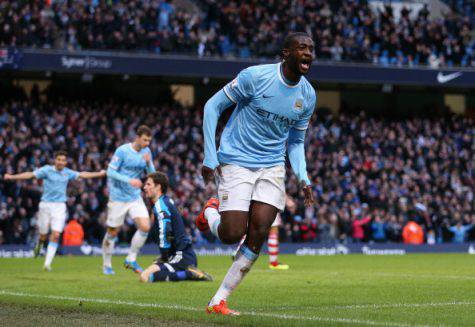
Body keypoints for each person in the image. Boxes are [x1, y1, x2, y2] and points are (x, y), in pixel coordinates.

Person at [196, 32, 316, 315]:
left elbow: (296, 142)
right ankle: (210, 213)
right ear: (286, 53)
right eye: (302, 48)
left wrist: (304, 177)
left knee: (259, 230)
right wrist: (210, 156)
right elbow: (212, 107)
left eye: (311, 49)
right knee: (231, 233)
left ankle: (219, 300)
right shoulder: (255, 77)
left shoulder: (307, 95)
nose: (309, 53)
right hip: (236, 160)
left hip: (272, 164)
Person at [3, 150, 105, 270]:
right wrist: (12, 177)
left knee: (56, 234)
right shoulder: (46, 170)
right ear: (55, 160)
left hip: (60, 206)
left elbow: (82, 174)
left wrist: (99, 174)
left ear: (66, 162)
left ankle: (47, 264)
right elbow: (30, 175)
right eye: (59, 160)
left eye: (63, 160)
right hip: (45, 205)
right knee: (43, 235)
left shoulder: (67, 172)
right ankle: (39, 246)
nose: (61, 162)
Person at [102, 125, 156, 275]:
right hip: (118, 197)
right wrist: (129, 180)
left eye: (149, 141)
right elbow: (110, 172)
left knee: (145, 227)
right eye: (145, 140)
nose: (147, 143)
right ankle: (106, 265)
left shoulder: (147, 152)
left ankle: (131, 259)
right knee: (113, 231)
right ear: (137, 137)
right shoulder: (122, 150)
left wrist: (148, 163)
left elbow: (152, 175)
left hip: (134, 196)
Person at [139, 172, 212, 283]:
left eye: (148, 184)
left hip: (181, 255)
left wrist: (164, 255)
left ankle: (190, 273)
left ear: (158, 186)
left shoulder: (161, 205)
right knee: (151, 276)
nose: (144, 187)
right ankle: (189, 272)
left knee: (146, 277)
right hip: (178, 254)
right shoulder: (165, 201)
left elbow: (165, 230)